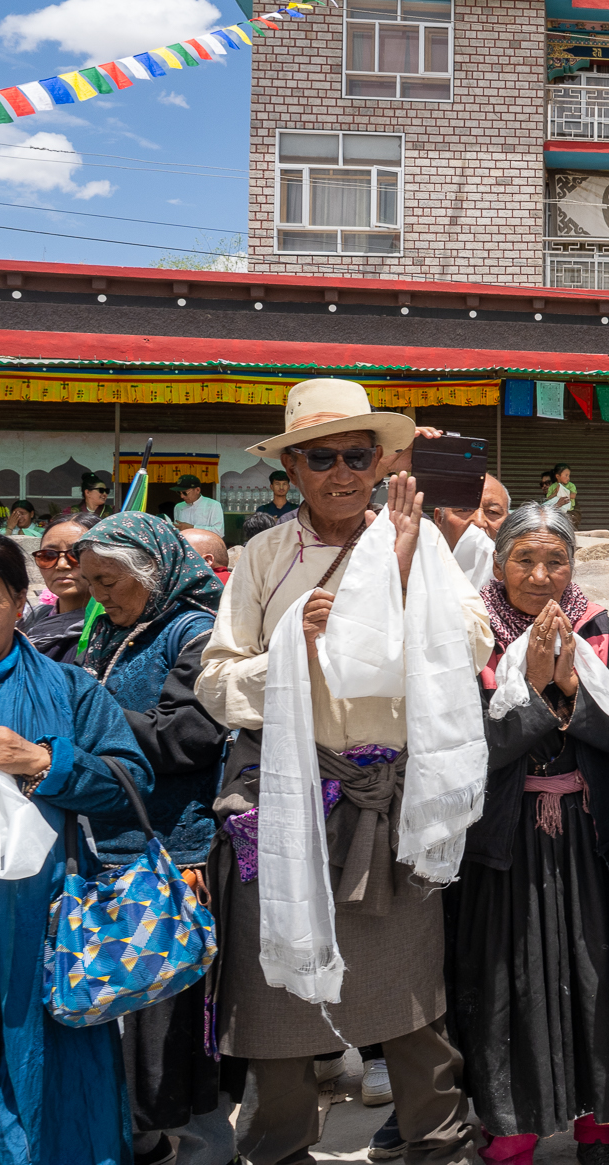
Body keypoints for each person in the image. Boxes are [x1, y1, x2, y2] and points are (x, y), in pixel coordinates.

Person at [196, 378, 491, 1165]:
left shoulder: (419, 541)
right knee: (279, 1003)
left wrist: (403, 577)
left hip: (389, 801)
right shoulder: (264, 557)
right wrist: (293, 647)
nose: (340, 472)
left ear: (379, 463)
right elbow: (216, 684)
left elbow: (473, 645)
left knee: (413, 1002)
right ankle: (279, 1148)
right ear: (291, 468)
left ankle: (436, 1145)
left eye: (356, 455)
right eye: (319, 457)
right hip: (289, 798)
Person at [0, 527, 155, 1165]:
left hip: (39, 920)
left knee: (41, 1077)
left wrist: (44, 761)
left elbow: (129, 784)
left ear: (20, 602)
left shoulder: (69, 691)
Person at [455, 503, 609, 1165]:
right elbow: (466, 744)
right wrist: (541, 694)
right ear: (498, 562)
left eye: (555, 561)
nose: (540, 575)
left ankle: (599, 1128)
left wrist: (572, 691)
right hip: (503, 840)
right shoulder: (472, 632)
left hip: (589, 838)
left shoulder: (598, 629)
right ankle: (513, 1130)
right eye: (524, 559)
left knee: (597, 975)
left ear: (573, 566)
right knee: (507, 979)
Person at [72, 512, 233, 1165]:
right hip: (112, 846)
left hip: (172, 852)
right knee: (123, 1006)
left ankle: (202, 1149)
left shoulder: (195, 633)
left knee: (170, 1017)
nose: (98, 595)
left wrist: (89, 709)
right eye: (91, 582)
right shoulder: (109, 631)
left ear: (154, 573)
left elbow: (187, 737)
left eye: (109, 581)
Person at [21, 515, 97, 660]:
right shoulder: (32, 620)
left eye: (76, 554)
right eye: (48, 555)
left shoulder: (108, 633)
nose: (61, 565)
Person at [434, 474, 510, 590]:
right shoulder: (418, 572)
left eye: (492, 512)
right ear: (439, 518)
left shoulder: (520, 583)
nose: (479, 522)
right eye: (464, 509)